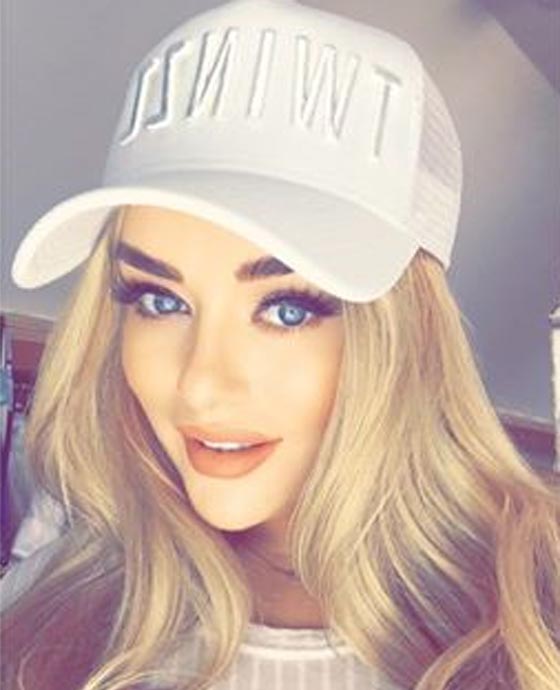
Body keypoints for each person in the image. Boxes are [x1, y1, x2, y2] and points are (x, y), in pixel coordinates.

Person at [1, 1, 558, 689]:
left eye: (287, 310)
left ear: (402, 339)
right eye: (159, 301)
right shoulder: (44, 615)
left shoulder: (536, 621)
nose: (200, 385)